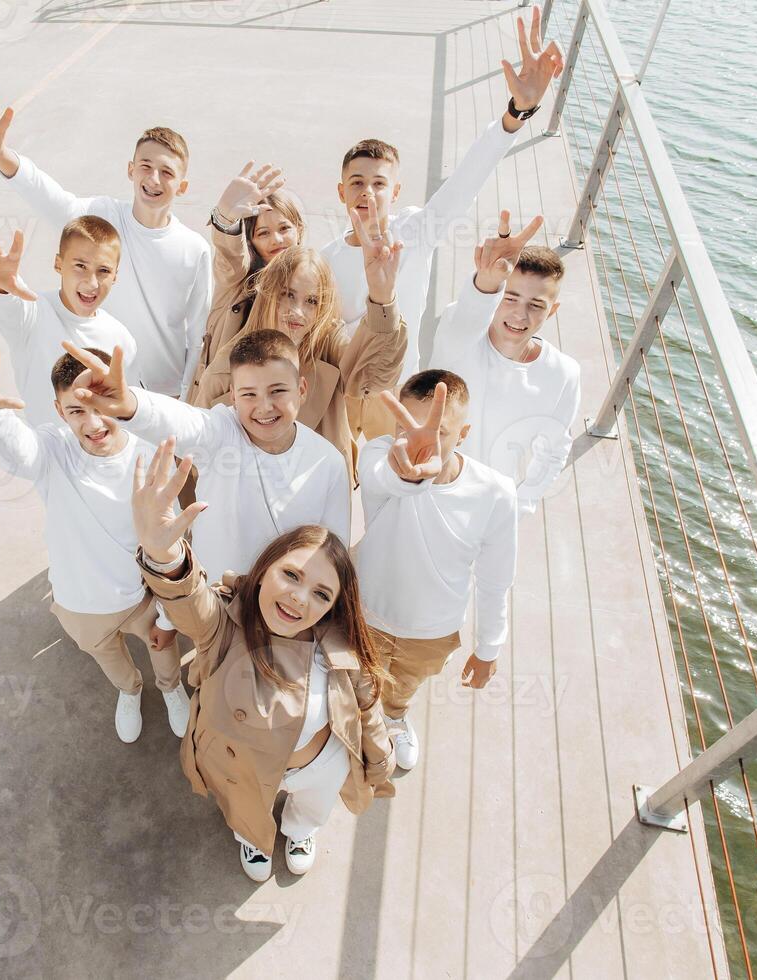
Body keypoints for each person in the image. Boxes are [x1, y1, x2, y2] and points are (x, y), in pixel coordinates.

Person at [131, 439, 394, 880]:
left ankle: (298, 829)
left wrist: (379, 758)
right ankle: (253, 839)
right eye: (291, 574)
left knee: (311, 807)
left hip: (321, 765)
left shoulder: (341, 647)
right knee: (244, 812)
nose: (298, 597)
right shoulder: (225, 624)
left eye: (321, 594)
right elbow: (188, 599)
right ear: (264, 569)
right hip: (243, 768)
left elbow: (366, 707)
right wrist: (164, 555)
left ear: (333, 607)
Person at [321, 7, 565, 436]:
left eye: (379, 183)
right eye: (356, 182)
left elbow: (467, 180)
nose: (367, 192)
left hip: (400, 394)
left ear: (395, 193)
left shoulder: (416, 231)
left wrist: (515, 114)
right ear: (341, 192)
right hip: (342, 393)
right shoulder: (325, 259)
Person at [0, 337, 189, 743]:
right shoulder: (53, 449)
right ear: (59, 411)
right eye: (77, 410)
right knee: (109, 659)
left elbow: (172, 534)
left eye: (100, 406)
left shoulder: (151, 451)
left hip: (143, 594)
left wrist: (167, 612)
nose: (93, 424)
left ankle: (170, 687)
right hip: (81, 603)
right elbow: (20, 452)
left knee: (164, 648)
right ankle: (130, 691)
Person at [0, 88, 211, 397]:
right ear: (131, 170)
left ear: (182, 186)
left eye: (167, 172)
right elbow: (46, 194)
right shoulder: (101, 214)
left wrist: (185, 398)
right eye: (145, 166)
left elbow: (198, 334)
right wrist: (0, 154)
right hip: (100, 386)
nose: (154, 179)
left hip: (165, 394)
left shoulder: (195, 248)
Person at [61, 330, 350, 583]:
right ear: (233, 397)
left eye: (277, 391)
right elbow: (185, 422)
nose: (264, 407)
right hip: (217, 601)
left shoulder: (329, 462)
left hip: (289, 611)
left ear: (301, 389)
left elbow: (335, 554)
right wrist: (130, 405)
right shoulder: (221, 431)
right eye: (249, 394)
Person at [352, 371, 519, 771]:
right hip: (363, 613)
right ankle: (355, 723)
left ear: (463, 433)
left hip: (432, 630)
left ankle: (393, 717)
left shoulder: (496, 493)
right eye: (405, 428)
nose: (419, 443)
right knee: (356, 683)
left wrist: (489, 646)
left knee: (403, 686)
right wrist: (408, 477)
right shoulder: (379, 456)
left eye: (438, 431)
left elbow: (496, 578)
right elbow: (386, 478)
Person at [188, 204, 408, 479]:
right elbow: (196, 452)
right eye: (287, 295)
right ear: (268, 293)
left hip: (317, 498)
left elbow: (373, 376)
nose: (298, 311)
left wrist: (382, 296)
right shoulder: (226, 366)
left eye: (312, 301)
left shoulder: (328, 346)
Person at [429, 213, 581, 515]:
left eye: (536, 305)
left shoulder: (563, 374)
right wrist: (486, 281)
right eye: (510, 298)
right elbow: (467, 315)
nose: (519, 315)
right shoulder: (460, 336)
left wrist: (521, 504)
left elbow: (554, 449)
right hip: (429, 491)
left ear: (553, 311)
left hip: (489, 507)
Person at [0, 219, 139, 430]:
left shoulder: (122, 338)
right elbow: (9, 306)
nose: (91, 283)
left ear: (115, 276)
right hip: (47, 455)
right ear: (59, 264)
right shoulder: (33, 312)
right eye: (80, 266)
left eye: (103, 270)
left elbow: (130, 413)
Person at [187, 161, 304, 403]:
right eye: (263, 233)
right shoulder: (238, 279)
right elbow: (230, 256)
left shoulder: (314, 285)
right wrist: (226, 218)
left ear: (299, 230)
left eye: (285, 228)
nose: (277, 239)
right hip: (223, 402)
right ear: (250, 241)